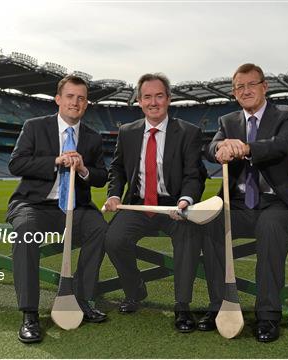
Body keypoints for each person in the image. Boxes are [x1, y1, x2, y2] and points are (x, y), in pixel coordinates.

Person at [200, 63, 288, 342]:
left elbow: (284, 144)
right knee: (210, 227)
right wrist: (221, 147)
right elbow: (211, 148)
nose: (245, 90)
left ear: (265, 86)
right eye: (239, 87)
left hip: (276, 203)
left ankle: (268, 315)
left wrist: (247, 148)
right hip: (237, 202)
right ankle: (220, 307)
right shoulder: (228, 121)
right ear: (234, 92)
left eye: (251, 84)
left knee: (270, 228)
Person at [6, 75, 108, 343]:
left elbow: (101, 176)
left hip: (76, 206)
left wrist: (84, 168)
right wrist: (56, 160)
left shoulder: (93, 138)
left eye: (81, 98)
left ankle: (82, 300)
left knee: (100, 228)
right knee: (25, 232)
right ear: (58, 99)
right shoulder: (35, 127)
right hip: (34, 204)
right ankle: (29, 313)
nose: (76, 102)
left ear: (86, 104)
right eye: (71, 96)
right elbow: (16, 164)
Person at [103, 73, 206, 333]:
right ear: (139, 101)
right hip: (138, 204)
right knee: (113, 239)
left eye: (159, 96)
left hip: (174, 205)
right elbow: (117, 170)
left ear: (169, 99)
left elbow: (195, 175)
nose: (153, 102)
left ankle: (182, 305)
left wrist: (185, 201)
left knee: (188, 237)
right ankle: (135, 290)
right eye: (147, 96)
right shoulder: (127, 132)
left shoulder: (188, 132)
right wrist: (114, 194)